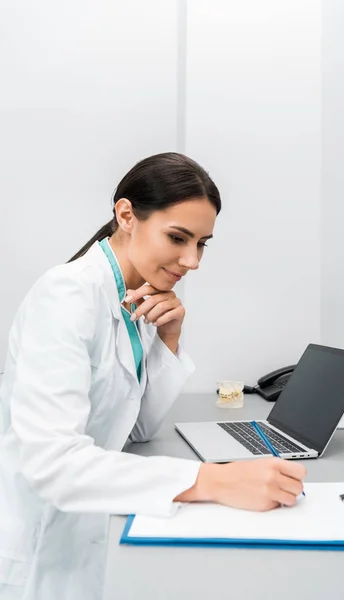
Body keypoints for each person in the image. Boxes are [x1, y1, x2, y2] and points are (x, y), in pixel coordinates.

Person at [0, 152, 306, 599]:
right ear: (126, 215)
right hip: (38, 544)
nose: (192, 260)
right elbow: (53, 464)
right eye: (178, 237)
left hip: (88, 531)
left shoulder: (137, 298)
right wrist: (211, 481)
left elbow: (137, 428)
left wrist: (170, 338)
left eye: (202, 243)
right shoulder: (67, 296)